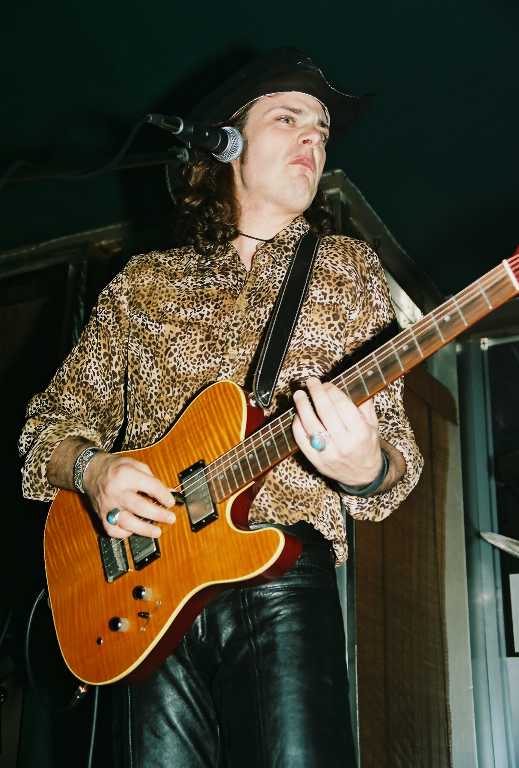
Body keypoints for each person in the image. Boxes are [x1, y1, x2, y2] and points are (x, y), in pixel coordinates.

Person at [19, 48, 423, 767]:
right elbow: (45, 429)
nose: (313, 139)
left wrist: (364, 466)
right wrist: (94, 471)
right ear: (226, 143)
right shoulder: (142, 284)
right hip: (145, 591)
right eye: (288, 118)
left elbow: (397, 462)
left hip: (280, 572)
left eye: (322, 131)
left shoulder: (346, 268)